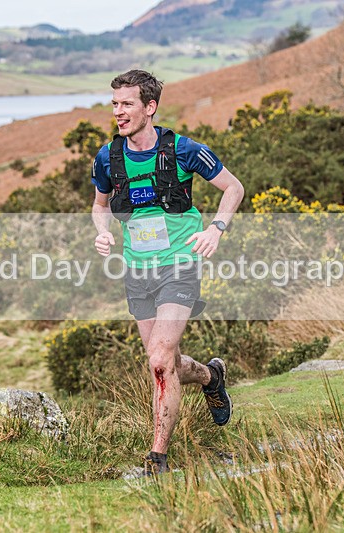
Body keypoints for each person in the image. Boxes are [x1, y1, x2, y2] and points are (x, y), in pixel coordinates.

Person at [90, 70, 244, 475]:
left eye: (127, 104)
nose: (118, 112)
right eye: (115, 104)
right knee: (167, 362)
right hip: (137, 271)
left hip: (180, 265)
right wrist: (103, 232)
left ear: (150, 107)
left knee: (159, 359)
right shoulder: (108, 157)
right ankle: (210, 376)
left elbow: (234, 188)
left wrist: (216, 228)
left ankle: (157, 457)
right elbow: (100, 206)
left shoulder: (183, 150)